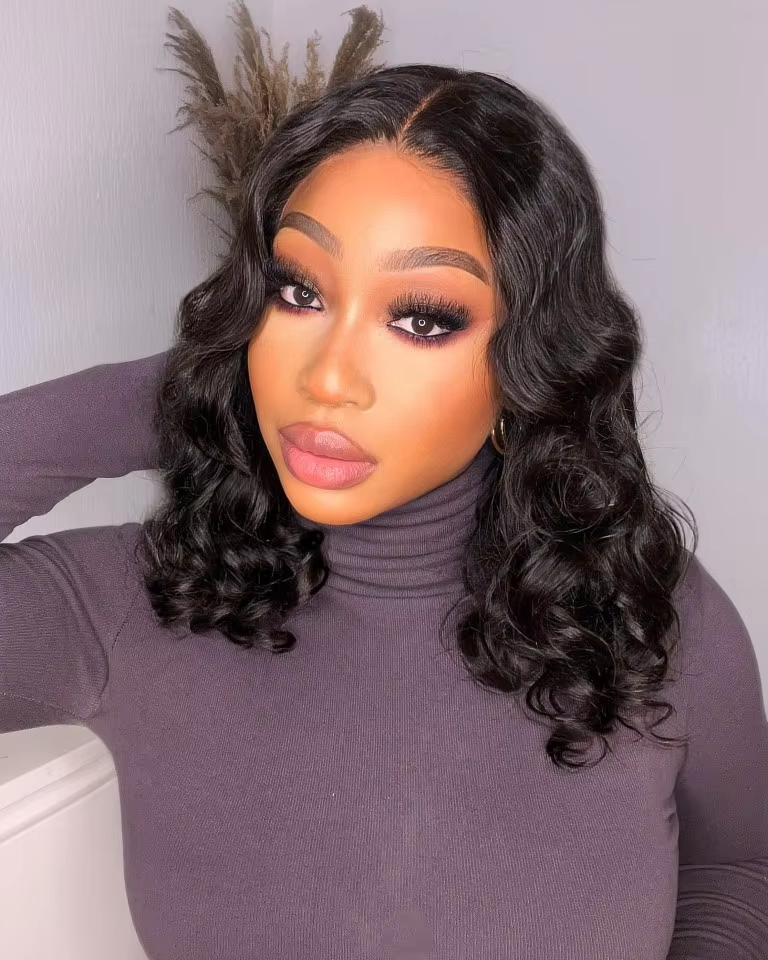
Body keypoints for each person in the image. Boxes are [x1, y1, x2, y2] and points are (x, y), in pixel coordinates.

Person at [1, 64, 766, 960]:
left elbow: (738, 868)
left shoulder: (649, 608)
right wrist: (193, 392)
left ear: (535, 359)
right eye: (298, 291)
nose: (327, 377)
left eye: (423, 319)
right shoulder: (129, 602)